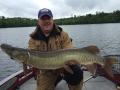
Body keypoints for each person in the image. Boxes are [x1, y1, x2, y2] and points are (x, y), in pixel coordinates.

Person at [28, 8, 83, 90]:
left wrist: (71, 59)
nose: (46, 21)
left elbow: (69, 49)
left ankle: (70, 84)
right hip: (46, 72)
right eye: (43, 19)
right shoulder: (33, 39)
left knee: (76, 72)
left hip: (64, 67)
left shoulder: (63, 34)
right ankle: (57, 79)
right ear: (38, 22)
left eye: (48, 18)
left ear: (52, 20)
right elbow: (31, 59)